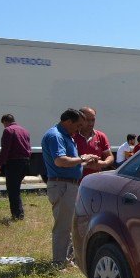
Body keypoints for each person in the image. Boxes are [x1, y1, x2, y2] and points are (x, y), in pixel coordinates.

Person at [42, 109, 98, 266]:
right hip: (62, 185)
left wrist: (86, 162)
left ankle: (69, 259)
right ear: (68, 122)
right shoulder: (56, 136)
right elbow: (60, 161)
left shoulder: (66, 136)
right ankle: (59, 262)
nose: (79, 129)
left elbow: (69, 162)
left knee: (72, 224)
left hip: (69, 185)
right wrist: (81, 158)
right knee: (63, 226)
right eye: (78, 125)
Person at [0, 114, 32, 220]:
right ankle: (19, 213)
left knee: (12, 190)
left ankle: (17, 215)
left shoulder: (8, 130)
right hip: (25, 162)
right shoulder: (24, 131)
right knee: (15, 188)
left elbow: (5, 149)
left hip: (14, 163)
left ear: (5, 121)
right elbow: (28, 147)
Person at [75, 106, 114, 178]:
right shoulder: (72, 136)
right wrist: (85, 164)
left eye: (93, 120)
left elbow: (109, 156)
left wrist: (104, 163)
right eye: (87, 120)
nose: (91, 123)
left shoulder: (101, 136)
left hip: (95, 181)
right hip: (75, 181)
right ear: (80, 120)